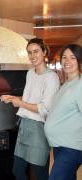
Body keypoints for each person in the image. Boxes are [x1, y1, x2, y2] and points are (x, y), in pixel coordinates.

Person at [1, 38, 60, 180]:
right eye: (29, 53)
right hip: (24, 126)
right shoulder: (30, 73)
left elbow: (44, 109)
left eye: (36, 51)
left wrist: (19, 103)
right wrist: (13, 97)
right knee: (17, 171)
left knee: (40, 174)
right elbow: (30, 98)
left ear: (44, 52)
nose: (32, 56)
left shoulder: (52, 78)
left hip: (38, 129)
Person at [44, 44, 82, 180]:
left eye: (73, 57)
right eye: (64, 57)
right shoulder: (66, 84)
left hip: (72, 147)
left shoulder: (80, 85)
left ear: (79, 61)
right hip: (60, 145)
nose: (67, 61)